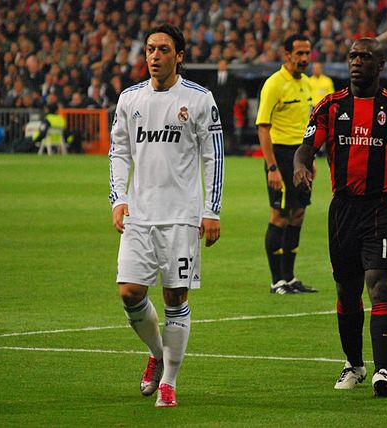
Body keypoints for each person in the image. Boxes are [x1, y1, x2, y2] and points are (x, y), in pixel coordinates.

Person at [293, 38, 387, 397]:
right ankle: (354, 363)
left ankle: (383, 371)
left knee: (381, 284)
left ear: (380, 65)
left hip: (382, 207)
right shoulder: (330, 107)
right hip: (343, 211)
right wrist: (300, 165)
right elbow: (307, 146)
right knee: (347, 290)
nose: (357, 62)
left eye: (365, 57)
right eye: (353, 56)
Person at [109, 24, 224, 408]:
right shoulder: (129, 99)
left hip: (181, 217)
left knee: (176, 297)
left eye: (163, 49)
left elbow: (214, 156)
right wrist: (118, 199)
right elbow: (119, 152)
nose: (154, 56)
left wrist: (211, 209)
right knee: (129, 292)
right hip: (139, 215)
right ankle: (158, 355)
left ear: (179, 56)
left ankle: (169, 383)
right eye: (150, 49)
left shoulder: (200, 99)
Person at [255, 34, 317, 295]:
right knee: (279, 216)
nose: (304, 58)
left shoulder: (307, 84)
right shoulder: (273, 84)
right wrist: (272, 167)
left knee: (298, 214)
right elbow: (263, 128)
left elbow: (308, 126)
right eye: (299, 53)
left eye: (307, 53)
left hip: (301, 156)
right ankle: (276, 280)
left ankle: (290, 278)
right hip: (280, 155)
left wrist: (310, 160)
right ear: (287, 54)